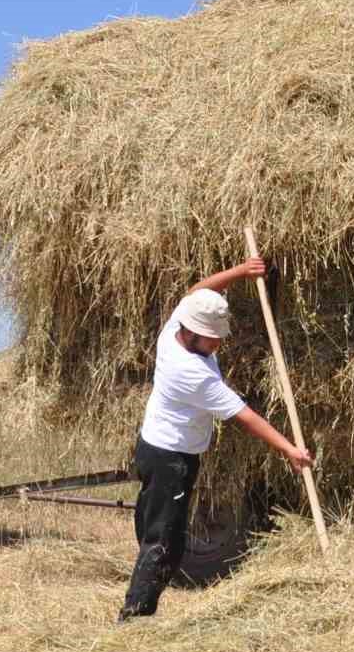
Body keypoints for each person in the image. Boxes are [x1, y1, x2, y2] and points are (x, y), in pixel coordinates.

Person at [118, 257, 313, 621]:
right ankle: (134, 617)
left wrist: (243, 271)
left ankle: (142, 586)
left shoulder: (175, 328)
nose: (218, 344)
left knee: (155, 528)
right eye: (213, 338)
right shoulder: (191, 373)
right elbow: (245, 416)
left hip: (154, 446)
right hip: (170, 458)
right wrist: (289, 449)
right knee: (165, 543)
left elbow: (199, 291)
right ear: (192, 334)